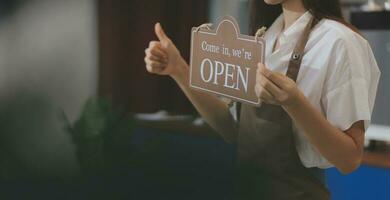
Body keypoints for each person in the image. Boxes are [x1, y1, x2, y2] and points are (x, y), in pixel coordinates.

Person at [144, 0, 380, 199]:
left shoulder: (340, 42)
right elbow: (232, 130)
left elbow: (349, 159)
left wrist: (295, 103)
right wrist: (178, 70)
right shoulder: (264, 40)